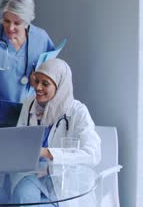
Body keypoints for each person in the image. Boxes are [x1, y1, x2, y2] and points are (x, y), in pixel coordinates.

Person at [11, 57, 101, 204]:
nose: (38, 87)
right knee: (23, 198)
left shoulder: (78, 112)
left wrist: (47, 153)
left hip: (65, 182)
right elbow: (18, 138)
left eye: (45, 83)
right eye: (37, 81)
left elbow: (93, 154)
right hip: (32, 175)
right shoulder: (30, 103)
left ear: (60, 86)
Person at [0, 0, 56, 127]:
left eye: (17, 23)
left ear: (28, 21)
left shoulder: (41, 38)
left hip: (31, 112)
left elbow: (52, 75)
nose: (10, 28)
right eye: (6, 21)